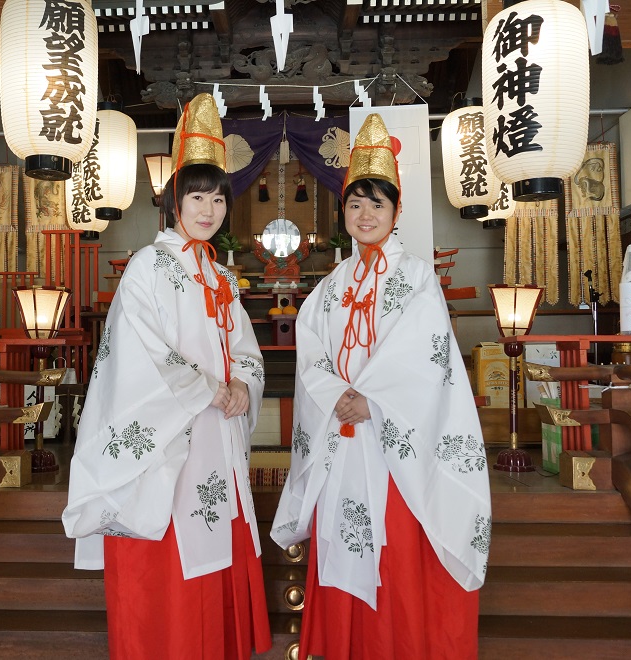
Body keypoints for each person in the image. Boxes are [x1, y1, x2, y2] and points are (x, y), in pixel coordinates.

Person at [272, 113, 492, 659]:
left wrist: (374, 401)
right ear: (343, 210)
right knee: (346, 550)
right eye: (355, 203)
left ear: (397, 211)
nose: (365, 214)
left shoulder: (417, 278)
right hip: (343, 441)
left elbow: (427, 356)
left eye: (377, 203)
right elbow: (313, 355)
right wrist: (336, 397)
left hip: (397, 449)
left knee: (396, 559)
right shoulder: (328, 288)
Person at [61, 93, 271, 659]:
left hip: (215, 439)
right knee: (169, 574)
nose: (207, 209)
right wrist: (211, 389)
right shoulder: (150, 268)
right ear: (174, 201)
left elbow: (246, 351)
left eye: (217, 197)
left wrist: (244, 386)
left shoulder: (222, 278)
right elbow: (140, 353)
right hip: (165, 447)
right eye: (196, 195)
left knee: (213, 556)